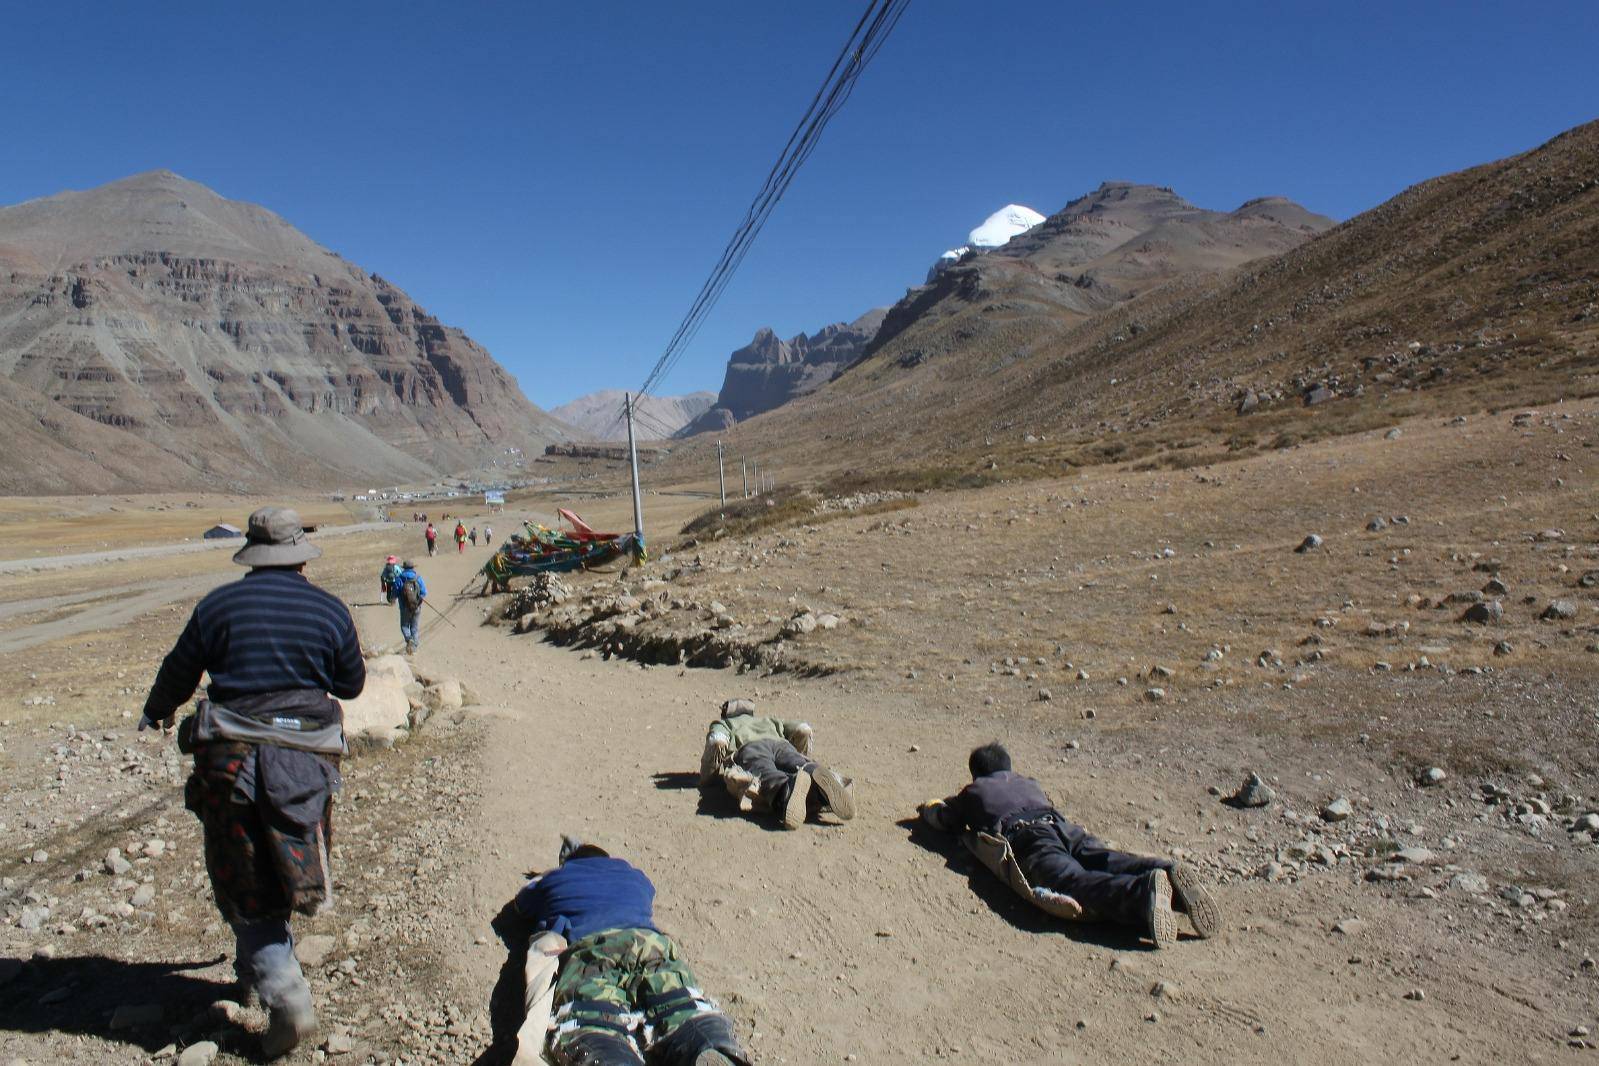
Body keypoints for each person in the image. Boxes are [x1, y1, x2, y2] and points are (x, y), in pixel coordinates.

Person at [139, 507, 364, 1058]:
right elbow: (351, 683)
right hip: (305, 766)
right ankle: (264, 967)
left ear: (252, 551)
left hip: (229, 765)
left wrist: (158, 709)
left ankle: (285, 994)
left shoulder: (217, 607)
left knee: (244, 881)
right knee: (290, 863)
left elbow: (179, 670)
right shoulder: (329, 610)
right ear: (298, 556)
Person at [918, 743, 1222, 948]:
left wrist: (928, 808)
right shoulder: (1028, 782)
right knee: (1108, 858)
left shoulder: (974, 790)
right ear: (1009, 768)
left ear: (976, 773)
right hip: (1064, 827)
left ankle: (1143, 893)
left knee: (1071, 879)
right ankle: (1166, 871)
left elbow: (948, 820)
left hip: (1029, 837)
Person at [514, 836, 750, 1066]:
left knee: (594, 1014)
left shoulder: (557, 878)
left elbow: (521, 905)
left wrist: (546, 876)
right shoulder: (635, 876)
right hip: (648, 942)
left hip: (594, 948)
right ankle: (708, 1041)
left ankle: (610, 1057)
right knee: (678, 1001)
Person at [698, 699, 853, 829]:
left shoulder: (725, 724)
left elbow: (716, 741)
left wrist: (708, 778)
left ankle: (786, 788)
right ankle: (818, 784)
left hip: (752, 748)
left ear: (726, 713)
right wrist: (803, 753)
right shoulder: (768, 720)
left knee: (766, 772)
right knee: (798, 762)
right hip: (781, 744)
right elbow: (802, 729)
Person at [394, 560, 427, 654]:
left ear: (404, 568)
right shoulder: (418, 577)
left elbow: (395, 592)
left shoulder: (399, 578)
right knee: (414, 627)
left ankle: (409, 640)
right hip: (416, 606)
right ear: (413, 568)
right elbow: (424, 592)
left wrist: (392, 599)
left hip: (404, 607)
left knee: (404, 626)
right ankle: (414, 648)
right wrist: (419, 599)